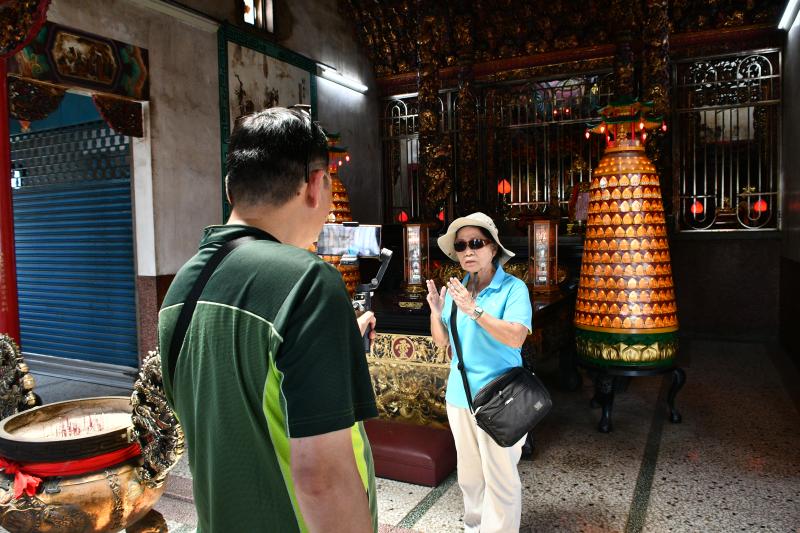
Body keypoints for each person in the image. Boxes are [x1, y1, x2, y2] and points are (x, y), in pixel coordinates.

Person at [158, 107, 378, 533]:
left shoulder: (181, 289)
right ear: (316, 186)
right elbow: (323, 479)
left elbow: (236, 397)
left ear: (230, 189)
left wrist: (330, 348)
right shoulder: (309, 281)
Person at [425, 212, 533, 533]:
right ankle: (475, 526)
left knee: (500, 477)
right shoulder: (458, 289)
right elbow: (443, 340)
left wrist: (475, 311)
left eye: (476, 243)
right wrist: (435, 311)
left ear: (493, 248)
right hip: (460, 396)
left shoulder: (513, 289)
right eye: (461, 245)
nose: (468, 251)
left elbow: (516, 336)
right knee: (470, 475)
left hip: (502, 398)